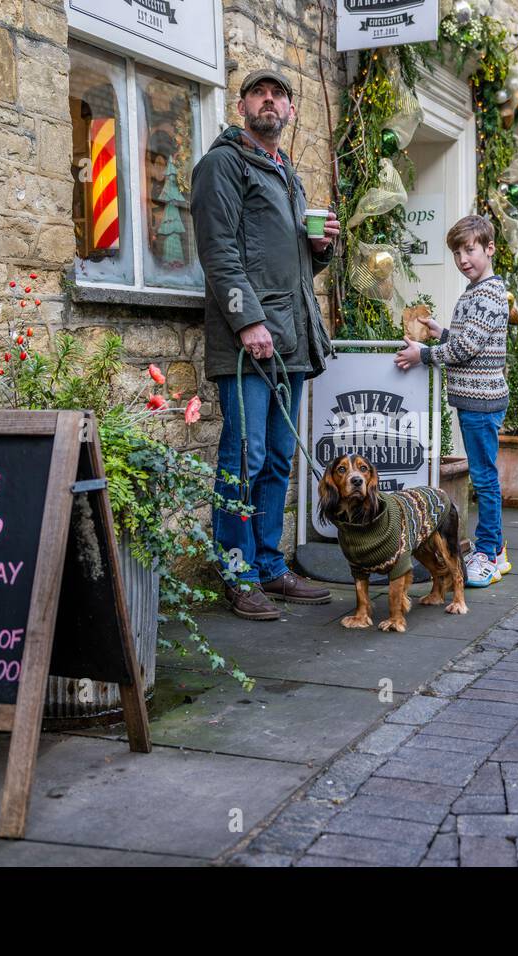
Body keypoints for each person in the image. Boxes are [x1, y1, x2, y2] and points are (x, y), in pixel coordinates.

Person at [190, 69, 340, 620]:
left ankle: (272, 567)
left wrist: (319, 249)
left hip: (291, 339)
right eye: (260, 93)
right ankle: (238, 571)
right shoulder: (221, 165)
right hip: (247, 343)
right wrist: (246, 320)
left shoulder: (287, 174)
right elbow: (218, 250)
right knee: (243, 459)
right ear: (243, 105)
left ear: (290, 112)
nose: (269, 101)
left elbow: (294, 263)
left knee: (278, 459)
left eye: (279, 95)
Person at [394, 215, 510, 588]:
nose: (463, 259)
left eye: (470, 250)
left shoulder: (488, 293)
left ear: (489, 249)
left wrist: (424, 354)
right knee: (484, 474)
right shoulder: (476, 291)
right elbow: (467, 338)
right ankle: (494, 548)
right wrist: (441, 331)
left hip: (482, 401)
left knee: (484, 479)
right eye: (457, 252)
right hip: (474, 399)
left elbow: (465, 348)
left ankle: (491, 554)